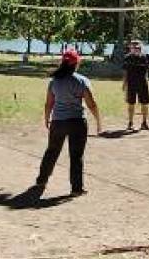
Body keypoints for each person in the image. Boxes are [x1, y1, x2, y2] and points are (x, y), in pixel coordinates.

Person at [35, 49, 101, 196]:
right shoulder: (82, 81)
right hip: (77, 122)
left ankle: (41, 180)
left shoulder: (54, 81)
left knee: (51, 151)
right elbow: (92, 104)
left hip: (58, 122)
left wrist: (47, 119)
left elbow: (48, 104)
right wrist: (98, 120)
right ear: (76, 63)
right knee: (76, 156)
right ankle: (76, 189)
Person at [122, 40, 149, 131]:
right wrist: (124, 84)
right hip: (131, 84)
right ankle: (130, 123)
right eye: (134, 47)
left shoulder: (146, 57)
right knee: (131, 103)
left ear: (141, 48)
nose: (136, 49)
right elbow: (125, 72)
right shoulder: (127, 58)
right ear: (130, 48)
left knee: (145, 104)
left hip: (143, 84)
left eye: (138, 47)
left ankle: (144, 123)